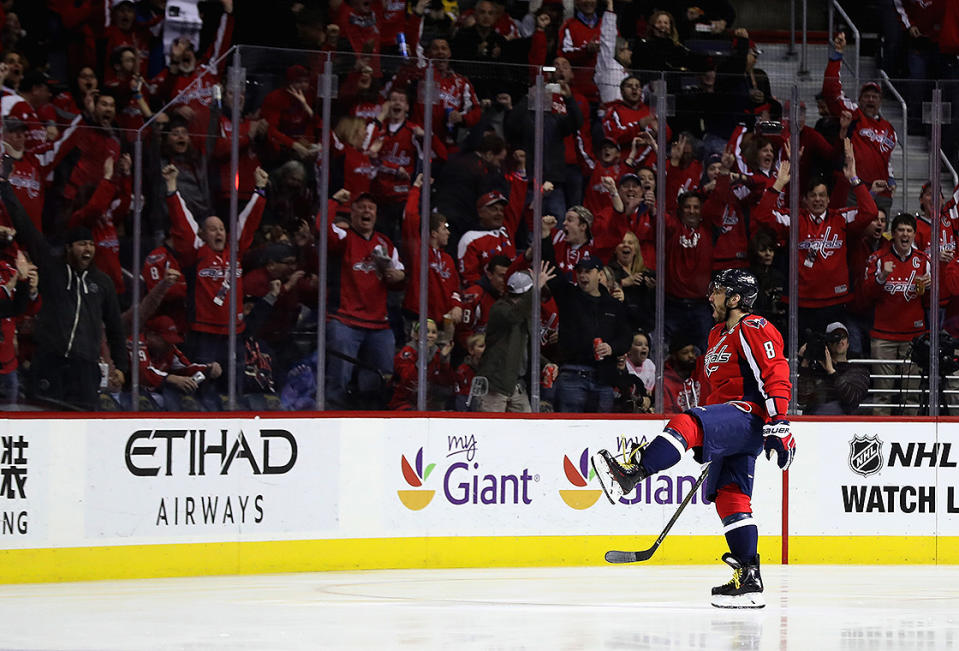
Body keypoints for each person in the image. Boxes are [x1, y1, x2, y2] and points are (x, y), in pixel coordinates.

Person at [593, 268, 795, 609]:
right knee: (730, 498)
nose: (710, 297)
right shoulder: (717, 333)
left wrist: (780, 423)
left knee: (687, 422)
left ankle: (633, 472)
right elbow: (713, 387)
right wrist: (715, 434)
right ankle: (748, 576)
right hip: (728, 422)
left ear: (735, 298)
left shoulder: (754, 327)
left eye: (718, 291)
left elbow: (774, 373)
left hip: (748, 415)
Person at [0, 183, 128, 411]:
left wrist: (120, 367)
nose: (87, 249)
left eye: (90, 244)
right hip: (50, 363)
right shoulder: (52, 270)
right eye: (81, 244)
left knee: (83, 430)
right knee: (42, 423)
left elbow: (116, 328)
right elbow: (28, 230)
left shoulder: (102, 282)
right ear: (69, 248)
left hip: (86, 369)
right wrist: (4, 188)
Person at [474, 263, 554, 412]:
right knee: (491, 432)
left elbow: (526, 348)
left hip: (517, 385)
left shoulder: (525, 314)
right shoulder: (500, 309)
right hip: (495, 385)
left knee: (525, 431)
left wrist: (546, 364)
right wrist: (535, 289)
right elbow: (513, 316)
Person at [797, 321, 870, 415]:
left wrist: (831, 371)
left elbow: (852, 399)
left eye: (843, 337)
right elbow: (802, 399)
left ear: (848, 343)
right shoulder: (816, 369)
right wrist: (805, 363)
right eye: (834, 337)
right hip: (815, 423)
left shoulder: (858, 370)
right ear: (828, 343)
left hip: (841, 424)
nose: (839, 341)